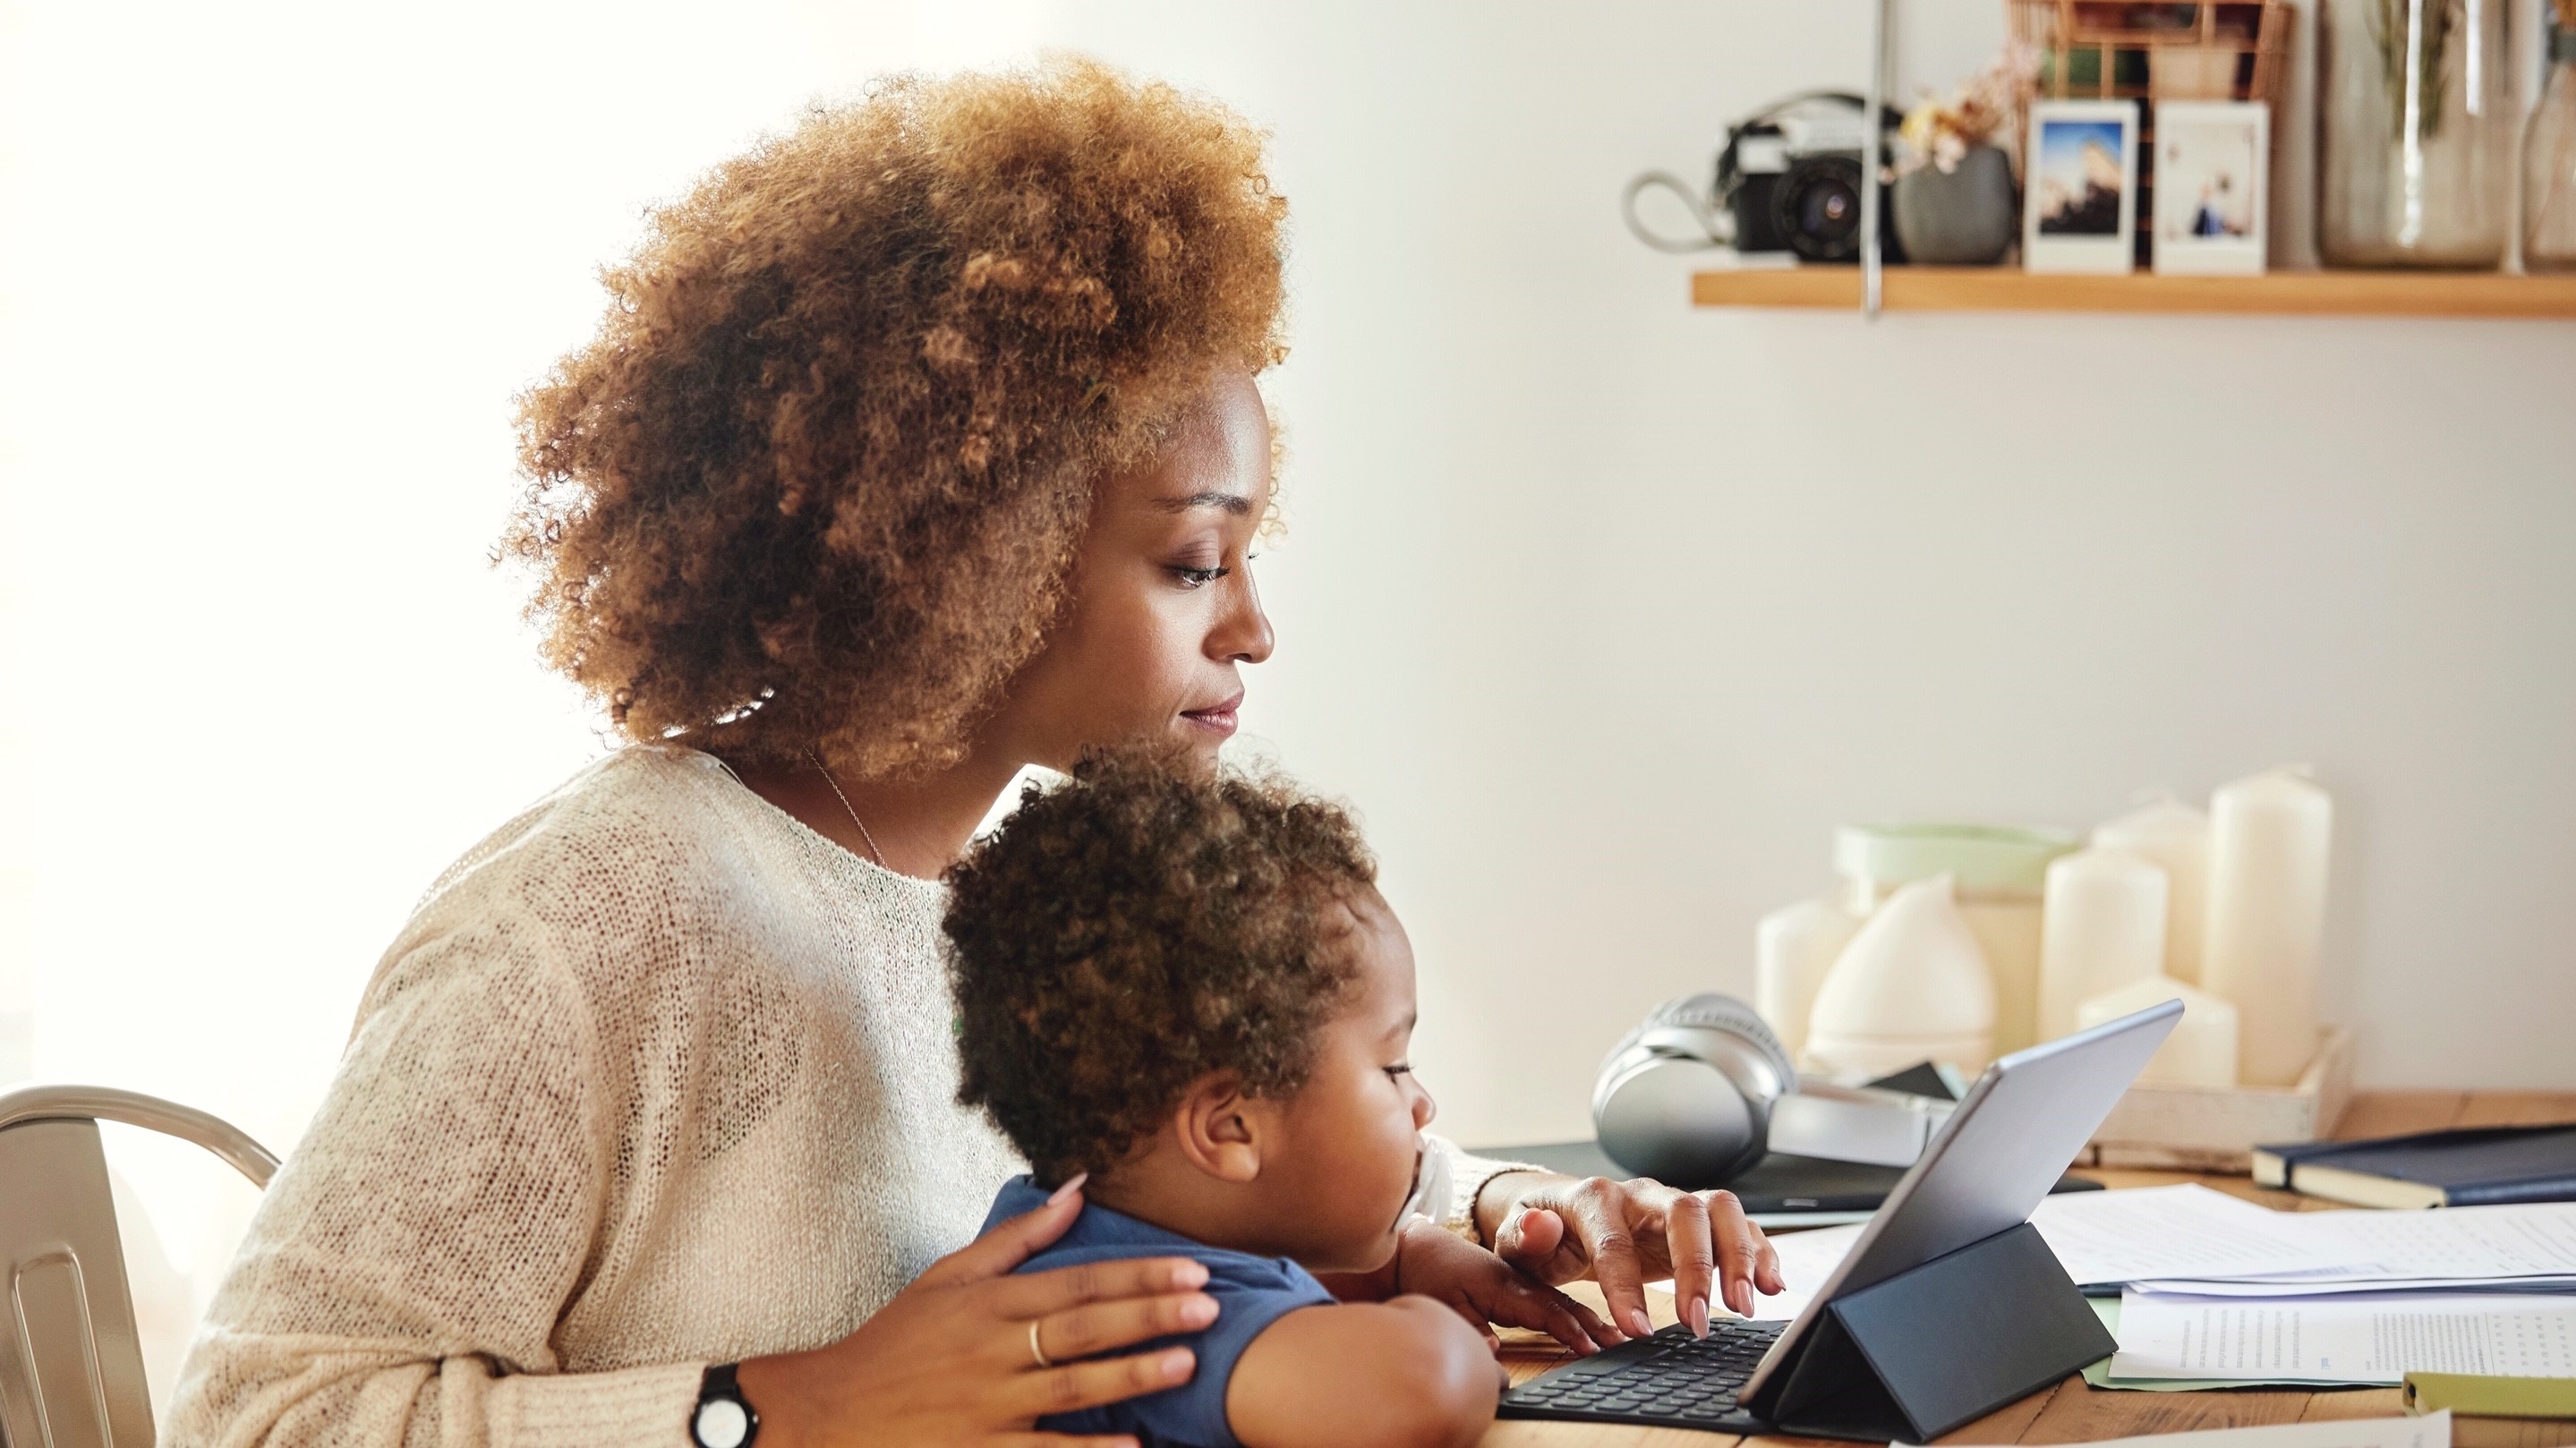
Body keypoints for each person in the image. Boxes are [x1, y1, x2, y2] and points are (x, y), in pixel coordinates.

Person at [169, 58, 1779, 1448]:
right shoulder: (600, 912)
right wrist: (777, 1406)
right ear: (964, 546)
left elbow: (1203, 1161)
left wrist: (1482, 1216)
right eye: (1189, 562)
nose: (1252, 630)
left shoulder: (1016, 894)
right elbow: (257, 1414)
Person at [945, 750, 1624, 1448]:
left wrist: (1404, 1261)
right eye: (1394, 1066)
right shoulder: (1142, 1313)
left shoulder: (1062, 1237)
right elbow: (1419, 1386)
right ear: (1230, 1128)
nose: (1423, 1105)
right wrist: (1440, 1339)